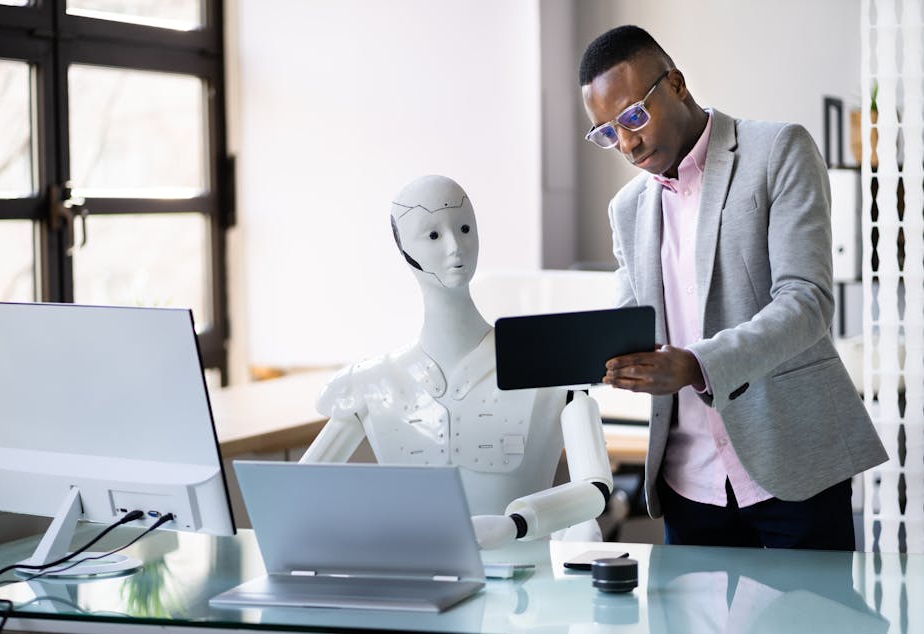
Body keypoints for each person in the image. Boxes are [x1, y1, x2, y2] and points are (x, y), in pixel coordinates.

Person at [578, 25, 887, 550]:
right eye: (607, 132)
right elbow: (630, 325)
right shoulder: (626, 208)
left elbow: (806, 301)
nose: (626, 143)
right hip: (688, 482)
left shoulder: (777, 150)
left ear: (675, 84)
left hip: (794, 466)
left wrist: (698, 364)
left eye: (633, 117)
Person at [300, 174, 613, 550]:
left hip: (523, 590)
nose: (455, 247)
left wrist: (515, 525)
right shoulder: (371, 382)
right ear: (404, 249)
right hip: (413, 585)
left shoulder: (552, 364)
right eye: (432, 235)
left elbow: (595, 489)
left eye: (464, 228)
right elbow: (297, 494)